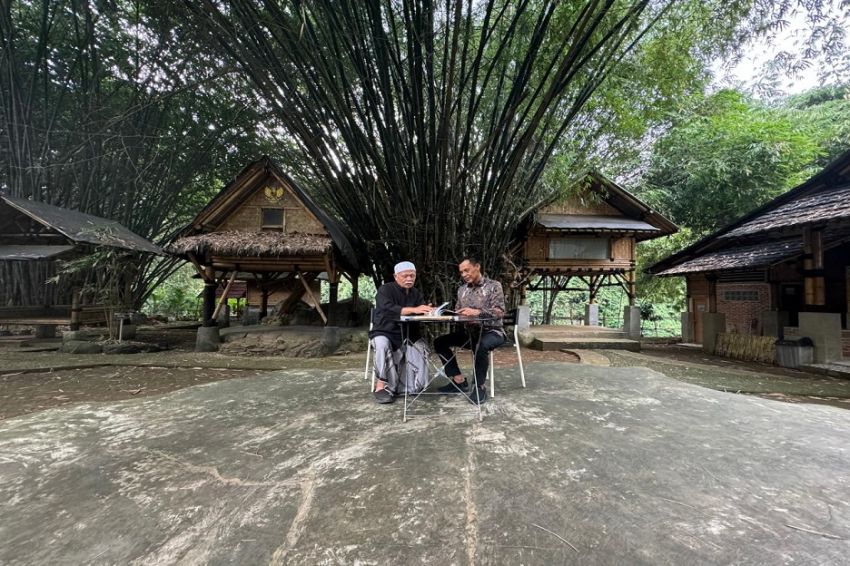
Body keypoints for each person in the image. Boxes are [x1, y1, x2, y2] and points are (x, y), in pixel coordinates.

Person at [434, 257, 505, 404]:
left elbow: (499, 312)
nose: (464, 274)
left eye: (467, 270)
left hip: (492, 331)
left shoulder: (494, 286)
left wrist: (478, 312)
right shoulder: (462, 290)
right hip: (469, 333)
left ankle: (479, 387)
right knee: (439, 342)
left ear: (477, 266)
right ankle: (458, 380)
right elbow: (458, 311)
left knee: (481, 346)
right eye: (461, 272)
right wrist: (452, 314)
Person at [369, 261, 433, 404]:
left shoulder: (415, 293)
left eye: (412, 276)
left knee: (421, 347)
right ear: (396, 276)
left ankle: (412, 386)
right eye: (405, 276)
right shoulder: (385, 289)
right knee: (382, 345)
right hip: (385, 331)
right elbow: (388, 308)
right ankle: (381, 386)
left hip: (409, 332)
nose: (409, 279)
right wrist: (414, 310)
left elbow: (421, 310)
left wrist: (428, 310)